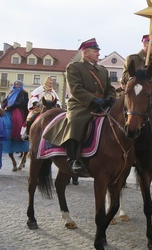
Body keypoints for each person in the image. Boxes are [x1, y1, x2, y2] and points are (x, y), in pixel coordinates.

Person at [43, 38, 116, 173]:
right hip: (81, 105)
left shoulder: (102, 70)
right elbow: (76, 89)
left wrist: (110, 99)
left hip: (102, 104)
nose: (98, 54)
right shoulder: (74, 67)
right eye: (95, 51)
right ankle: (73, 159)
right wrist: (94, 100)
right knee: (75, 121)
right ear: (85, 53)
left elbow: (109, 88)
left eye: (98, 51)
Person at [1, 80, 29, 163]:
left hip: (17, 109)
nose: (16, 85)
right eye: (15, 84)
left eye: (18, 84)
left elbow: (20, 102)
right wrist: (3, 106)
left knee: (17, 118)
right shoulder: (11, 92)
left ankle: (17, 134)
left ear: (20, 85)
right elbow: (6, 99)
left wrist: (10, 107)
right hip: (8, 108)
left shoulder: (24, 92)